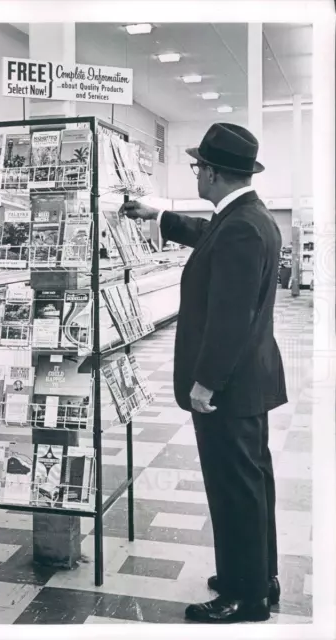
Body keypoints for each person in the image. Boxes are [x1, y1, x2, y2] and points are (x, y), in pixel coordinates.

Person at [121, 123, 287, 624]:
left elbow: (230, 316)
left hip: (229, 387)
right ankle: (259, 574)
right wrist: (160, 216)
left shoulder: (239, 226)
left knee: (233, 486)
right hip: (252, 381)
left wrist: (206, 381)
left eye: (198, 167)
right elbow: (207, 237)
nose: (196, 173)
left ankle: (245, 596)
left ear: (213, 173)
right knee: (253, 479)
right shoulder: (249, 217)